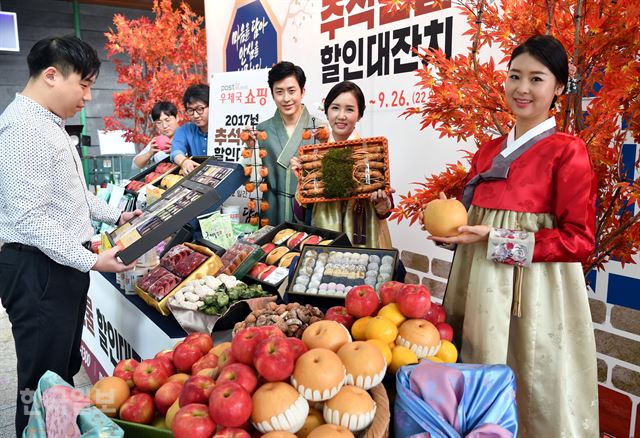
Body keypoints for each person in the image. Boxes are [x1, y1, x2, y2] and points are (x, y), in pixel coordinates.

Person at [430, 35, 599, 437]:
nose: (522, 89)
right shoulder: (487, 152)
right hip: (477, 285)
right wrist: (455, 232)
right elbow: (478, 222)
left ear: (558, 88)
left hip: (535, 296)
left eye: (537, 79)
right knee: (477, 374)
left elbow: (579, 240)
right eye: (514, 76)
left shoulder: (568, 151)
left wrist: (497, 239)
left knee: (531, 380)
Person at [0, 35, 142, 436]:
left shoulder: (48, 123)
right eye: (83, 84)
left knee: (60, 373)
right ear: (50, 75)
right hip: (38, 268)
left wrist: (119, 216)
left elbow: (71, 197)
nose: (87, 96)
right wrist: (93, 259)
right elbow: (30, 218)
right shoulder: (23, 129)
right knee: (39, 381)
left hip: (54, 264)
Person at [292, 81, 395, 248]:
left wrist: (382, 204)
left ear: (360, 114)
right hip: (325, 234)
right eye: (335, 108)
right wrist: (301, 183)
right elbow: (300, 215)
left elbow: (385, 210)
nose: (341, 116)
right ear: (326, 112)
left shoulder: (371, 153)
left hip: (366, 236)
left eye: (349, 109)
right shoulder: (314, 157)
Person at [246, 61, 317, 225]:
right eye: (279, 92)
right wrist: (251, 149)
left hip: (308, 209)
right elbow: (251, 177)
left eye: (292, 91)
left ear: (302, 91)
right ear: (272, 94)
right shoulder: (262, 129)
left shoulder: (319, 128)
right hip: (272, 208)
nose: (286, 98)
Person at [171, 83, 210, 174]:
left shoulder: (224, 129)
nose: (196, 115)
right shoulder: (184, 130)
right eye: (190, 110)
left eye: (200, 109)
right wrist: (184, 161)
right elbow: (176, 151)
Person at [132, 101, 179, 169]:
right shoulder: (155, 142)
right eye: (159, 122)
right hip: (164, 178)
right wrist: (150, 153)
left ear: (177, 118)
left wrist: (177, 152)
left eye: (167, 120)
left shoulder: (189, 136)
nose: (164, 126)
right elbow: (135, 165)